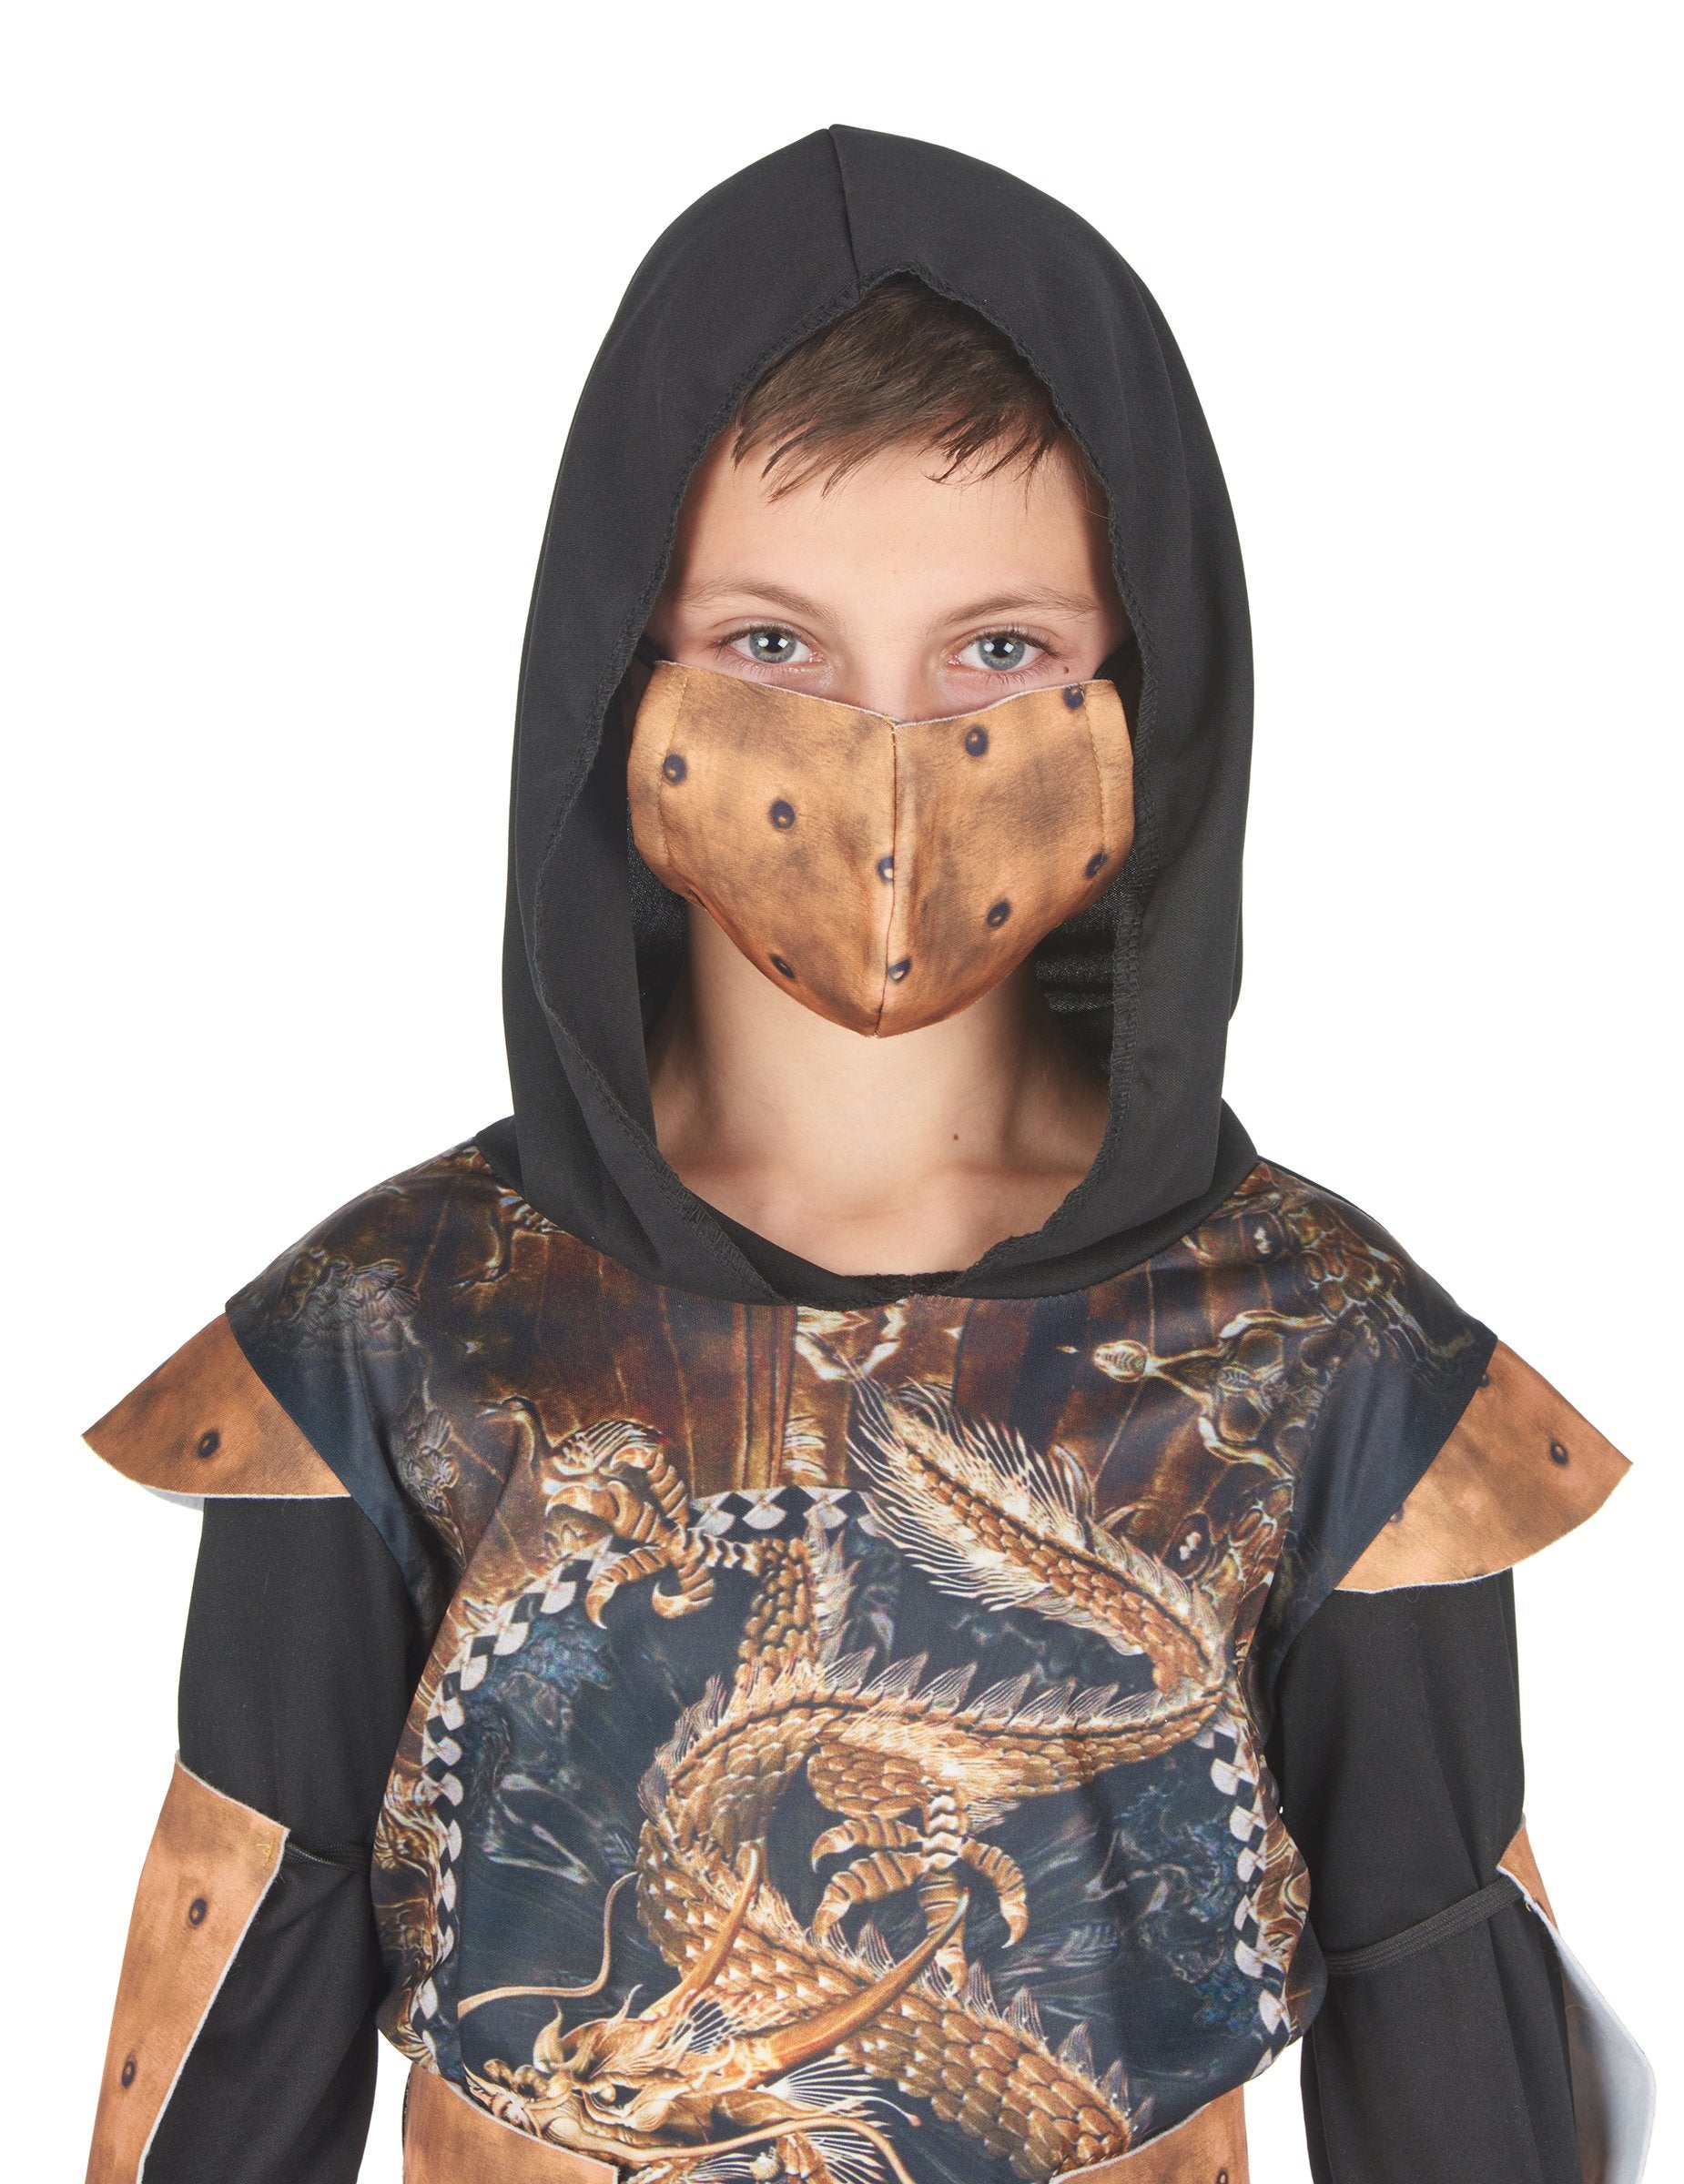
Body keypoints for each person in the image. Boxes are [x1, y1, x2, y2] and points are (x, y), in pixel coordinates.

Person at [77, 127, 1653, 2184]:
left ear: (1142, 693)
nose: (885, 762)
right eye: (770, 645)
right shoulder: (400, 1331)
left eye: (997, 653)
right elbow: (239, 1995)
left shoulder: (1317, 1355)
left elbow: (1450, 2022)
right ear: (618, 676)